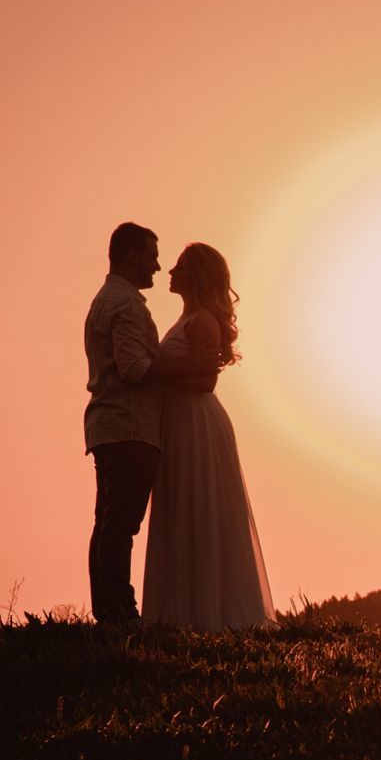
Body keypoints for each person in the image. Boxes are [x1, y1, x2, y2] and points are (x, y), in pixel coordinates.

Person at [82, 222, 219, 623]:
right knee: (120, 525)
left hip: (113, 425)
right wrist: (191, 365)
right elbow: (133, 367)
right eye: (152, 257)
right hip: (129, 426)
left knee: (109, 523)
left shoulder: (110, 299)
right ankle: (119, 612)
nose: (158, 267)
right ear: (131, 257)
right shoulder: (125, 304)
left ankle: (110, 609)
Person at [141, 243, 274, 630]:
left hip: (197, 423)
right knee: (181, 507)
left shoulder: (202, 321)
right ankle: (182, 612)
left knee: (201, 507)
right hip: (178, 422)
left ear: (197, 276)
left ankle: (212, 612)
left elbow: (206, 381)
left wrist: (159, 373)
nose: (170, 272)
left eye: (180, 267)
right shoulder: (186, 320)